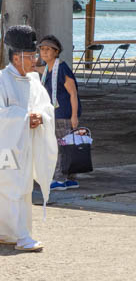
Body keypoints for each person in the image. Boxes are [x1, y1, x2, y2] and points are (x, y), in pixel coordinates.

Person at [0, 25, 56, 252]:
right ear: (17, 57)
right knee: (9, 187)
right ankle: (20, 236)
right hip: (5, 147)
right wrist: (24, 118)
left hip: (25, 145)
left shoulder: (33, 81)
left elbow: (46, 107)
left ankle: (7, 232)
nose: (35, 61)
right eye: (31, 56)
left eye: (34, 56)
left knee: (22, 189)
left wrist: (41, 117)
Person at [37, 34, 83, 191]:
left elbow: (73, 93)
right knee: (67, 146)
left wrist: (74, 116)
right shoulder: (49, 68)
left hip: (64, 114)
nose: (44, 52)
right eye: (42, 49)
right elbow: (42, 70)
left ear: (56, 52)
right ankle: (71, 179)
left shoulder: (62, 68)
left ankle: (59, 178)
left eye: (48, 49)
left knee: (60, 147)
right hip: (56, 114)